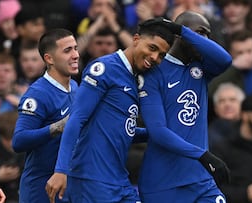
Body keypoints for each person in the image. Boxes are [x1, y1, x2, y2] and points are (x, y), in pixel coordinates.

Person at [45, 18, 182, 203]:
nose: (155, 58)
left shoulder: (138, 79)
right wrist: (61, 170)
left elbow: (121, 130)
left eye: (161, 55)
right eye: (152, 48)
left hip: (118, 179)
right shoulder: (104, 69)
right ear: (135, 39)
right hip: (91, 179)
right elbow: (76, 119)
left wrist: (157, 133)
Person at [137, 11, 232, 202]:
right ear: (179, 38)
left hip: (201, 180)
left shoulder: (202, 70)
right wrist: (203, 155)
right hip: (164, 182)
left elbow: (225, 60)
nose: (205, 40)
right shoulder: (154, 72)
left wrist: (182, 30)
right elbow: (158, 131)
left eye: (207, 35)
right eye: (200, 33)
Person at [12, 28, 79, 203]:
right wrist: (57, 127)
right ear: (49, 58)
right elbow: (19, 141)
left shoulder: (77, 88)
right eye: (67, 50)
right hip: (41, 189)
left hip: (69, 187)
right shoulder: (37, 94)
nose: (75, 55)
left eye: (75, 48)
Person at [0, 110, 24, 203]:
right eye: (7, 138)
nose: (11, 143)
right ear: (0, 136)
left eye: (13, 137)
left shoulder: (28, 153)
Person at [209, 82, 245, 148]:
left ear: (242, 105)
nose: (227, 105)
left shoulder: (251, 130)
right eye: (222, 101)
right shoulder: (209, 136)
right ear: (215, 109)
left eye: (232, 100)